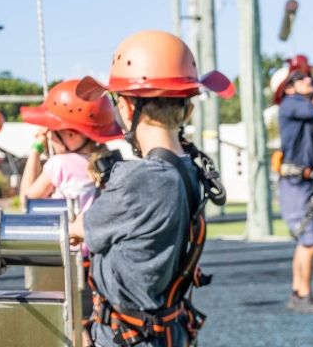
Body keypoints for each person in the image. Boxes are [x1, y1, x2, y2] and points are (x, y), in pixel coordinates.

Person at [68, 31, 233, 347]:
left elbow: (79, 229)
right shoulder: (190, 169)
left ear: (127, 109)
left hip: (126, 336)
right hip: (166, 330)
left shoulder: (140, 179)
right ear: (188, 110)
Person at [19, 79, 123, 346]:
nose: (51, 139)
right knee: (94, 320)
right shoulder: (110, 162)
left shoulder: (59, 164)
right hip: (101, 259)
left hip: (69, 257)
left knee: (71, 323)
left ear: (73, 134)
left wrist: (36, 148)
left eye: (54, 133)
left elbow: (27, 198)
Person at [270, 55, 313, 314]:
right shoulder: (291, 104)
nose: (310, 79)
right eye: (301, 78)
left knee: (307, 242)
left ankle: (298, 292)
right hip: (296, 184)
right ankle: (303, 294)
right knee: (308, 241)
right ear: (288, 88)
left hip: (306, 184)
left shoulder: (308, 116)